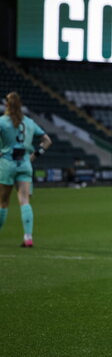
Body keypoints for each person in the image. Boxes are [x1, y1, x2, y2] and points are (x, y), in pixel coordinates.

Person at [0, 92, 52, 248]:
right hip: (24, 163)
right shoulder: (29, 122)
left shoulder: (2, 122)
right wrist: (35, 155)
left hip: (7, 164)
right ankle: (28, 237)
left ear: (6, 105)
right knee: (24, 201)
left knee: (3, 202)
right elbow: (47, 141)